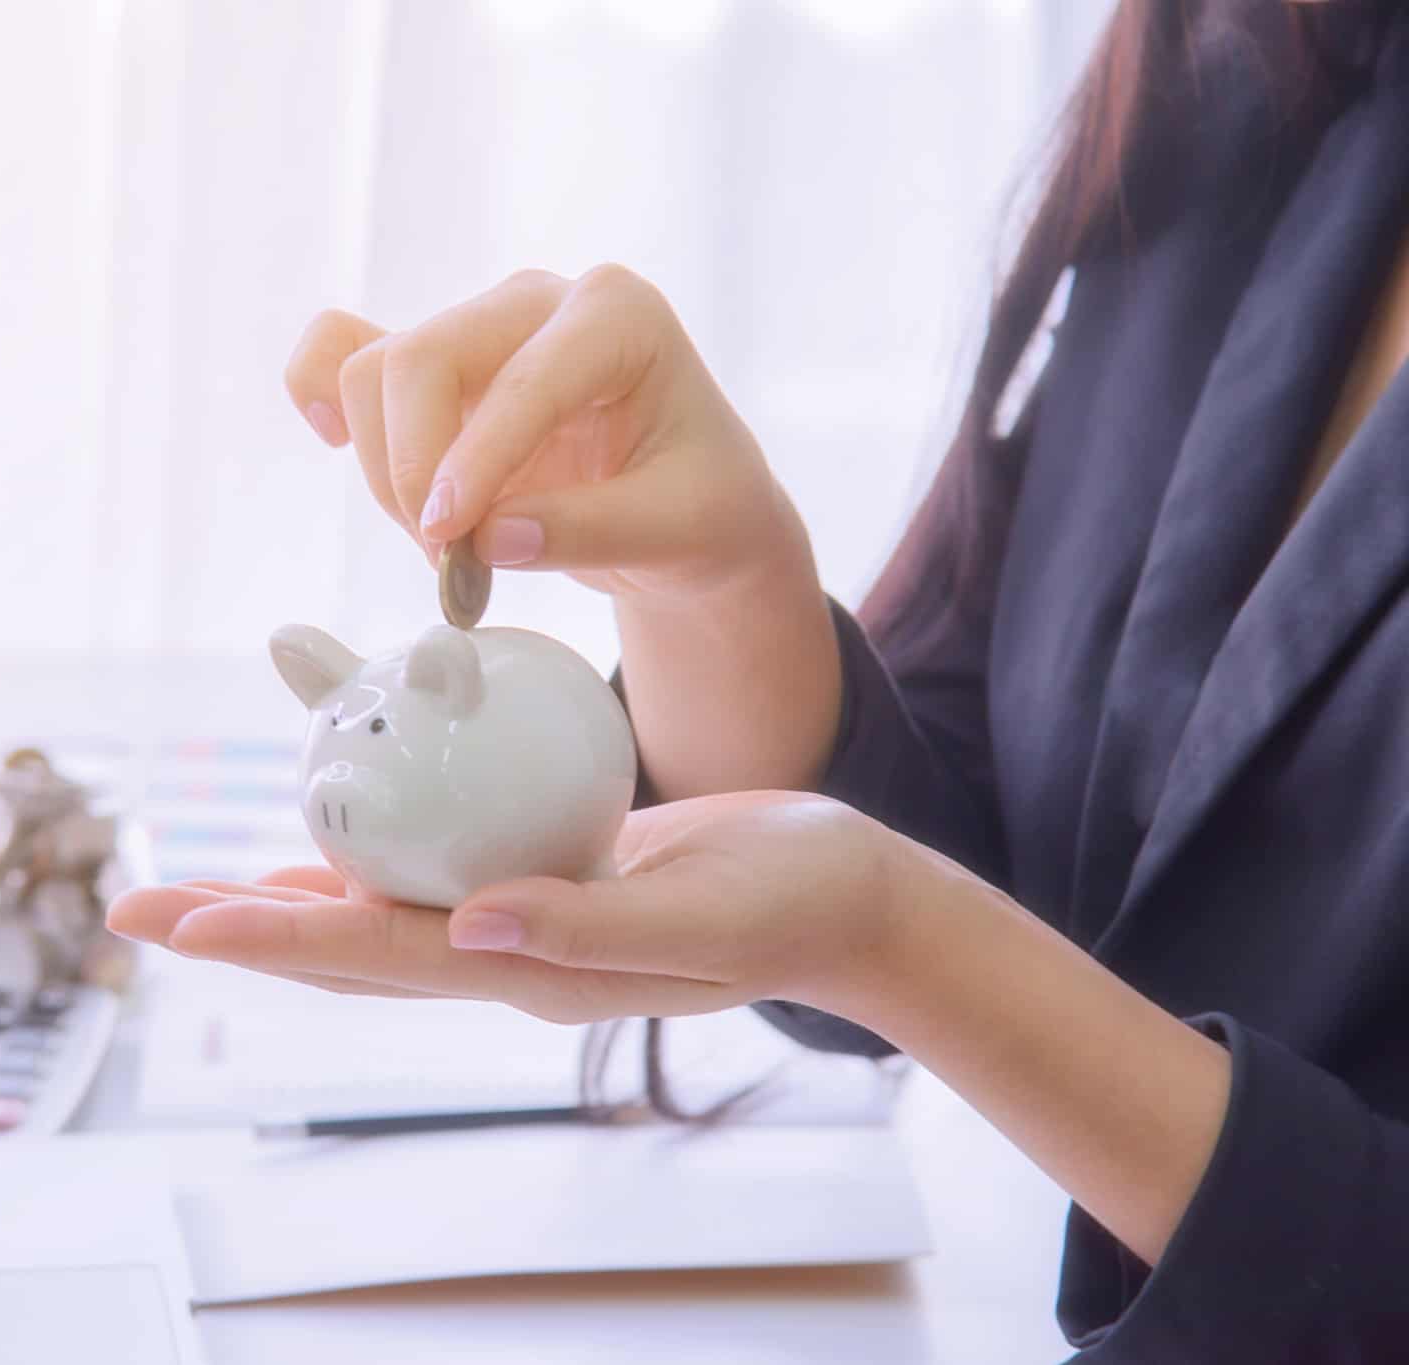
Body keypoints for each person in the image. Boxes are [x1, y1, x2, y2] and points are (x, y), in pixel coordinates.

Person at [108, 2, 1409, 1357]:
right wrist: (716, 597)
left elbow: (950, 931)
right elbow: (1016, 854)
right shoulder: (1272, 65)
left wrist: (899, 943)